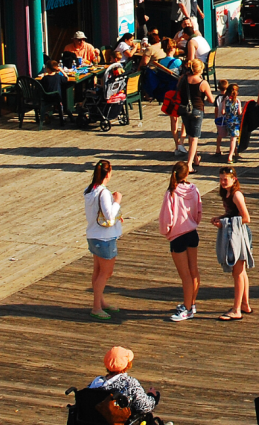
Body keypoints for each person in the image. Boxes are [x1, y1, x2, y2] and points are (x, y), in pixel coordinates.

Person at [159, 161, 202, 322]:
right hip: (192, 232)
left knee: (185, 275)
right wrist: (194, 223)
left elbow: (167, 217)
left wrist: (166, 232)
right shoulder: (194, 189)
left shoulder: (171, 193)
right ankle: (191, 302)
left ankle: (188, 308)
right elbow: (198, 210)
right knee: (194, 271)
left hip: (177, 236)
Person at [211, 166, 252, 320]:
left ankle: (236, 310)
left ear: (234, 179)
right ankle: (245, 304)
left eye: (225, 179)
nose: (222, 182)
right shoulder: (226, 193)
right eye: (220, 179)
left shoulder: (236, 195)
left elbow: (246, 218)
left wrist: (225, 223)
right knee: (241, 272)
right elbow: (231, 214)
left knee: (238, 273)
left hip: (239, 235)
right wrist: (220, 218)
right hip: (232, 232)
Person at [84, 160, 122, 320]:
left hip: (93, 234)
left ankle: (100, 302)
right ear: (108, 173)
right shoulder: (103, 193)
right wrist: (118, 201)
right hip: (104, 237)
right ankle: (96, 307)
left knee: (98, 271)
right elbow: (109, 215)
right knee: (106, 272)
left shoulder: (90, 190)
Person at [88, 347, 158, 418]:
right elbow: (144, 407)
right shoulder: (129, 383)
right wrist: (153, 396)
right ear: (127, 365)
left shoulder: (96, 382)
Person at [177, 59, 214, 170]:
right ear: (199, 70)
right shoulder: (203, 83)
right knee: (194, 138)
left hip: (184, 109)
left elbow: (178, 90)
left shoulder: (182, 79)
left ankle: (195, 158)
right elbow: (211, 100)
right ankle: (189, 165)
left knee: (190, 135)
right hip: (197, 109)